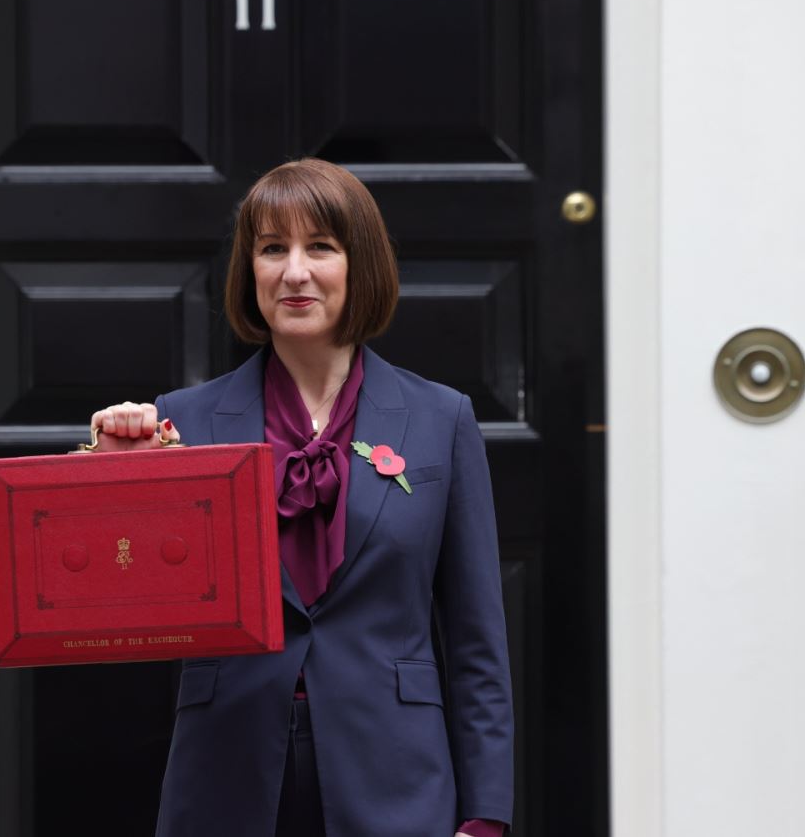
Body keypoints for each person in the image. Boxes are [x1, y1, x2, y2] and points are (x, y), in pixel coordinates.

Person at [90, 158, 513, 837]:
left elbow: (476, 640)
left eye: (320, 246)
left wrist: (485, 815)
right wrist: (117, 476)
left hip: (397, 779)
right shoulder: (183, 423)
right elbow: (124, 607)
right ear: (248, 270)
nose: (294, 272)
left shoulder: (442, 419)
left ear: (360, 264)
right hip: (226, 780)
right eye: (270, 249)